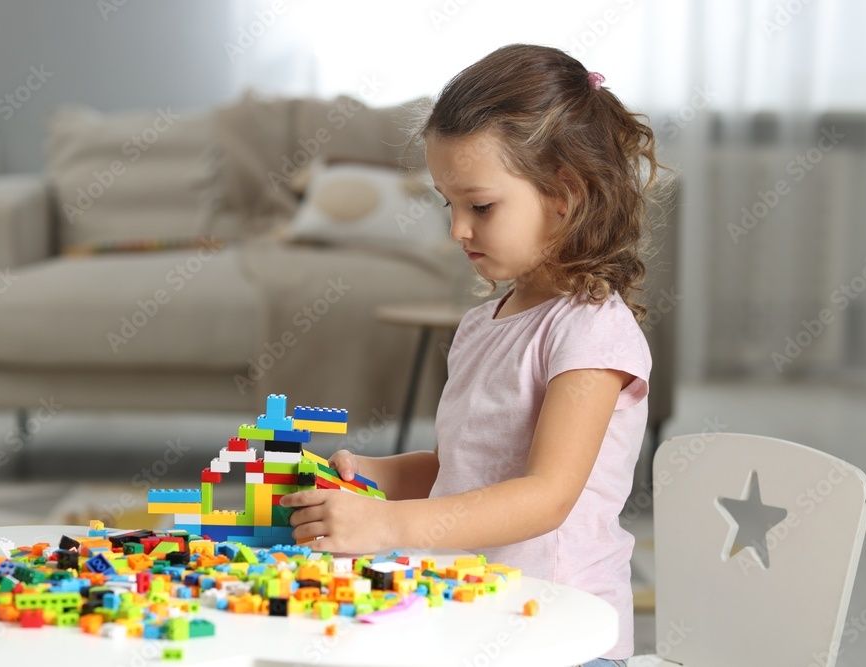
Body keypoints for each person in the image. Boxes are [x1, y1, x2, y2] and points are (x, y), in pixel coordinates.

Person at [281, 43, 662, 665]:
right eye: (448, 204)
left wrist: (388, 528)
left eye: (480, 206)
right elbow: (468, 468)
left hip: (561, 635)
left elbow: (544, 496)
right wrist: (375, 478)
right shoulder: (484, 323)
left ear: (563, 194)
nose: (457, 229)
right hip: (475, 616)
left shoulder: (591, 332)